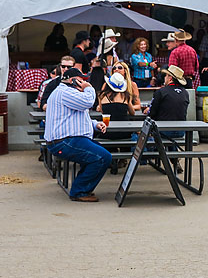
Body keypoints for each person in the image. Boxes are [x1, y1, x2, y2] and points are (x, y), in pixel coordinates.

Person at [43, 68, 111, 202]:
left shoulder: (66, 92)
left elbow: (76, 116)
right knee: (102, 157)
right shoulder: (65, 92)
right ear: (72, 80)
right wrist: (89, 88)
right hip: (65, 141)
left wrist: (94, 124)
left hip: (68, 139)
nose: (83, 82)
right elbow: (88, 102)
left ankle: (81, 188)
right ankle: (79, 191)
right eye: (80, 80)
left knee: (100, 154)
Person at [98, 72, 138, 140]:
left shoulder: (102, 96)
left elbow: (102, 111)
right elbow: (132, 113)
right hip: (124, 133)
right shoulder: (126, 96)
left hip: (106, 131)